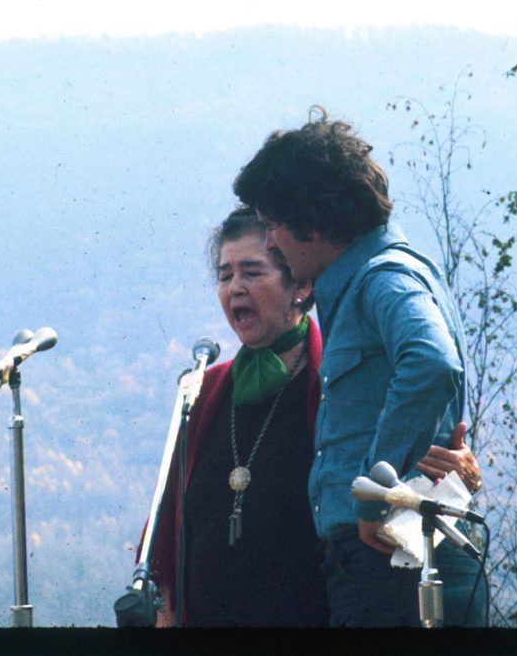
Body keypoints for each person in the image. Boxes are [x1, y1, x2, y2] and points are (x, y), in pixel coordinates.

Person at [142, 209, 481, 626]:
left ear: (300, 286)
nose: (235, 288)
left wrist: (451, 476)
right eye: (225, 275)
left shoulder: (341, 389)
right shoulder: (206, 389)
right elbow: (171, 531)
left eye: (252, 272)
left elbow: (404, 462)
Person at [233, 107, 480, 627]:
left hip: (392, 566)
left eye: (276, 223)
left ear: (316, 220)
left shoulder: (380, 280)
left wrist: (378, 492)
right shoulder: (373, 280)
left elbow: (433, 362)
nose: (272, 240)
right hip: (386, 562)